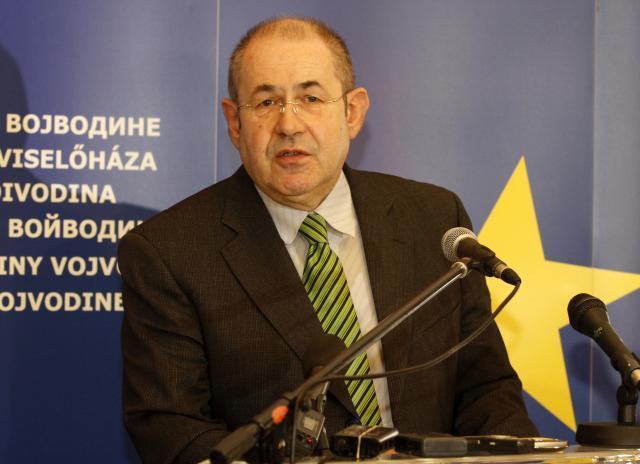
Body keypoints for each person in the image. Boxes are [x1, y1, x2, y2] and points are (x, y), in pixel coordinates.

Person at [119, 16, 537, 464]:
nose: (288, 125)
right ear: (235, 123)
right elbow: (173, 429)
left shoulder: (433, 218)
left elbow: (486, 389)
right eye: (266, 102)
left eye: (311, 98)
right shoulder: (170, 252)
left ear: (352, 112)